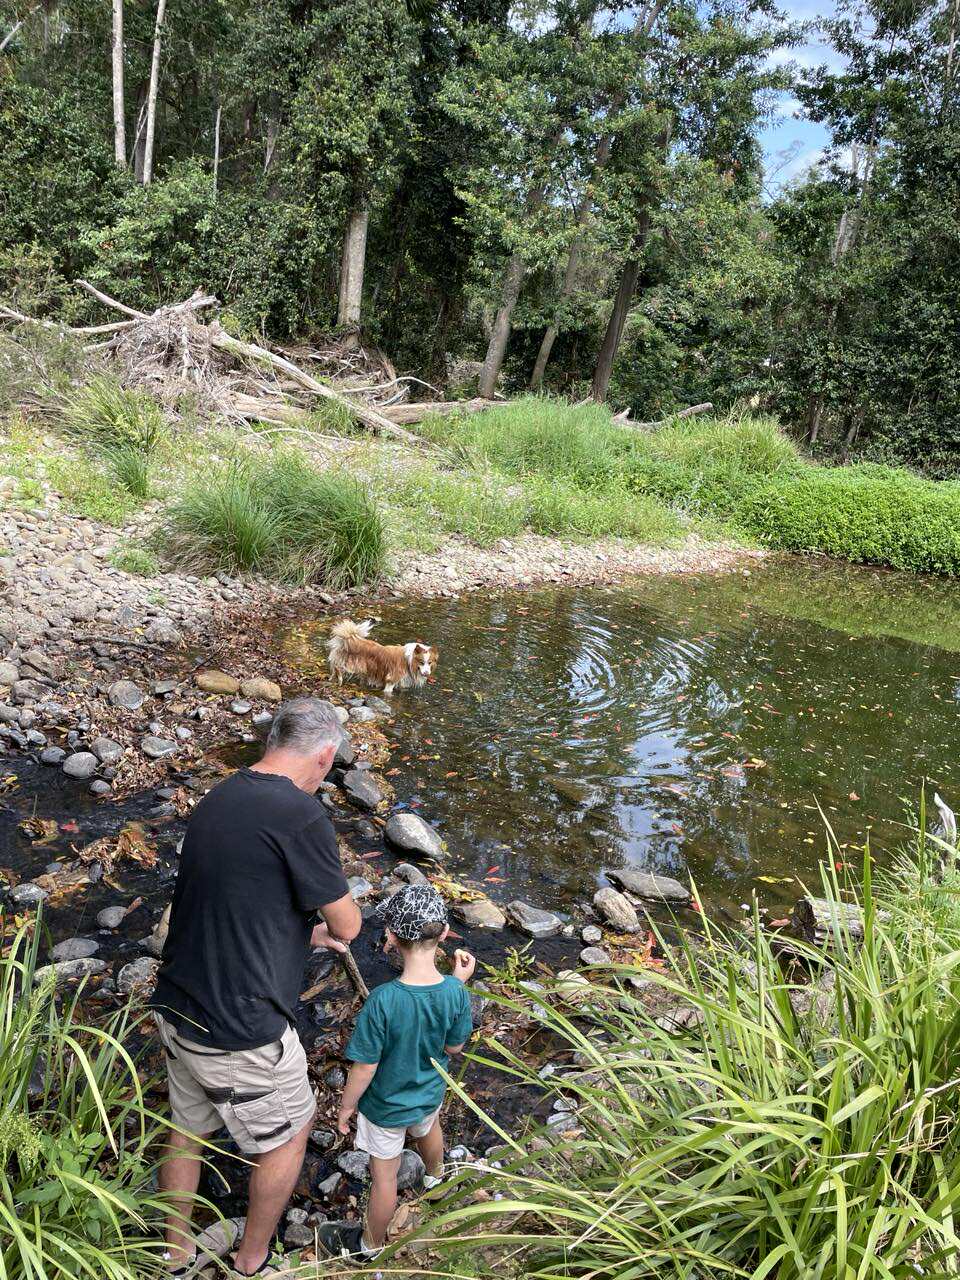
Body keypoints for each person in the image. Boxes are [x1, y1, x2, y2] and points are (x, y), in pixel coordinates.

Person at [149, 697, 362, 1279]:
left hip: (177, 1002)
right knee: (289, 1137)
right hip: (238, 1028)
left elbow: (236, 894)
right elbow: (348, 925)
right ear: (324, 755)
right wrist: (327, 928)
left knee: (186, 1129)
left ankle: (174, 1252)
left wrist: (297, 933)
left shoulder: (223, 795)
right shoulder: (301, 815)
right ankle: (252, 1260)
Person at [318, 884, 476, 1265]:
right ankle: (436, 1180)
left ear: (391, 937)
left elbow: (366, 1066)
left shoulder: (383, 1001)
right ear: (442, 935)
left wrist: (345, 1107)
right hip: (429, 1093)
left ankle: (368, 1247)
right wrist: (458, 980)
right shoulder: (456, 992)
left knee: (384, 1178)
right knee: (428, 1128)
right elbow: (454, 1048)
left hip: (386, 1107)